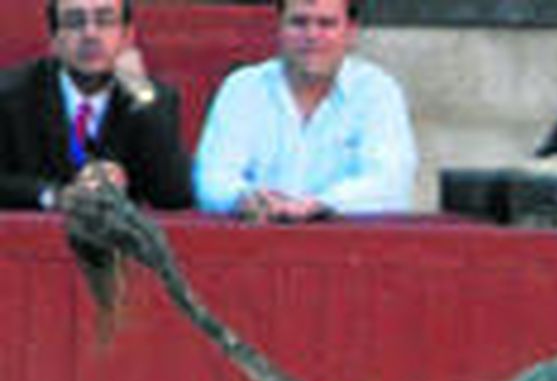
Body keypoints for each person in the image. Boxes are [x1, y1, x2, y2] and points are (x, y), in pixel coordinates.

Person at [192, 0, 416, 222]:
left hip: (349, 246)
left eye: (326, 24)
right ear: (279, 27)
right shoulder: (243, 88)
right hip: (255, 243)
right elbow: (212, 180)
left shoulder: (376, 91)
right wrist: (244, 199)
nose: (311, 35)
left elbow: (390, 183)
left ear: (350, 32)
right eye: (299, 22)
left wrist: (318, 206)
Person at [0, 0, 193, 211]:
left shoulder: (151, 99)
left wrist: (140, 93)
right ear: (54, 40)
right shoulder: (11, 94)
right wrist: (54, 196)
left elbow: (176, 195)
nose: (90, 34)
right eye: (75, 22)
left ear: (127, 36)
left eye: (105, 21)